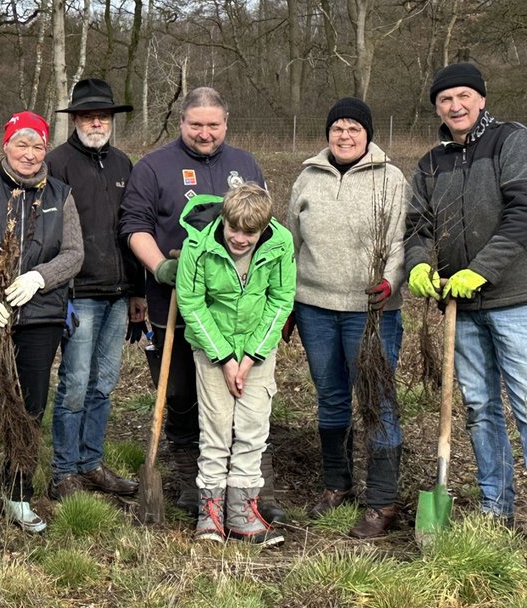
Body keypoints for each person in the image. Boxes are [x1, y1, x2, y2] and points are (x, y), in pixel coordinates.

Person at [118, 87, 283, 521]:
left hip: (238, 308)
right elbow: (135, 225)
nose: (205, 133)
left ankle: (252, 488)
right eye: (196, 125)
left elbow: (263, 225)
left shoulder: (244, 165)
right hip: (174, 300)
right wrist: (160, 268)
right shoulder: (154, 167)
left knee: (243, 396)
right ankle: (195, 481)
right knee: (181, 393)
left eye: (213, 125)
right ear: (182, 123)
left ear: (226, 124)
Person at [0, 111, 83, 545]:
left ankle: (18, 493)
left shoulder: (61, 195)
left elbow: (74, 253)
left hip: (38, 320)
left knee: (29, 408)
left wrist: (39, 277)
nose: (29, 154)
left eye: (37, 145)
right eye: (21, 144)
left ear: (46, 149)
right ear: (5, 145)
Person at [406, 63, 527, 526]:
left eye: (463, 96)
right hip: (462, 308)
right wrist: (418, 262)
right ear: (436, 106)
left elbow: (522, 213)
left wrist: (480, 271)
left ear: (480, 98)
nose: (455, 106)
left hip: (514, 300)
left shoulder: (511, 141)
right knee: (480, 408)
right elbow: (416, 225)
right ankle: (498, 510)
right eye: (445, 99)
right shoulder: (431, 162)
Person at [286, 98, 408, 538]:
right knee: (331, 396)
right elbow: (290, 244)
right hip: (315, 307)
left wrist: (390, 282)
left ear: (368, 134)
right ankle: (337, 485)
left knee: (376, 401)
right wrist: (286, 304)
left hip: (371, 311)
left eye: (354, 128)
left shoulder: (390, 178)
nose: (344, 136)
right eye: (337, 128)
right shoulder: (307, 177)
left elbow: (399, 241)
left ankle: (382, 500)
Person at [175, 185, 293, 546]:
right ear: (223, 221)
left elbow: (281, 298)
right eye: (233, 230)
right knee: (216, 429)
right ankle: (210, 514)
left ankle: (242, 513)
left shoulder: (280, 244)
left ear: (265, 228)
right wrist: (225, 357)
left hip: (257, 351)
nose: (240, 239)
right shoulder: (198, 245)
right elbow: (192, 303)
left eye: (250, 233)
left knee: (252, 429)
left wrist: (251, 355)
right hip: (213, 350)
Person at [46, 79, 145, 500]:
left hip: (119, 291)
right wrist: (58, 288)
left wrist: (138, 290)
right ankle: (63, 470)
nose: (96, 122)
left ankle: (91, 463)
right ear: (75, 120)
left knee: (103, 383)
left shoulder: (125, 165)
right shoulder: (57, 164)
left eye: (102, 115)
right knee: (75, 382)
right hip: (78, 292)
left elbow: (135, 228)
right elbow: (48, 233)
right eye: (88, 115)